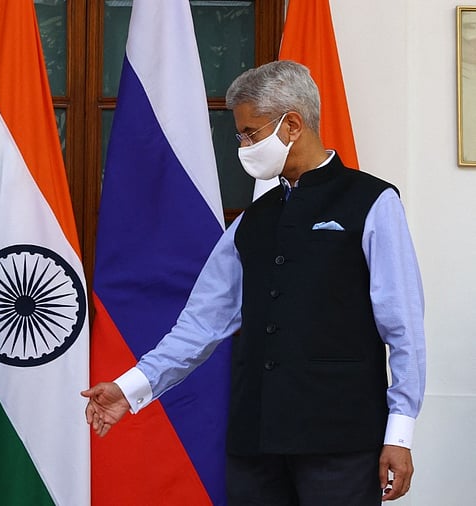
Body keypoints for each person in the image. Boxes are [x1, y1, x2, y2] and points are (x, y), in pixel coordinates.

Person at [82, 60, 426, 505]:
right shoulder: (250, 221)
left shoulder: (374, 202)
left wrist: (400, 433)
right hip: (255, 443)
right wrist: (129, 389)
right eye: (240, 135)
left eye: (250, 133)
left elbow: (403, 328)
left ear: (293, 125)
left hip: (341, 440)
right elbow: (201, 323)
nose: (242, 146)